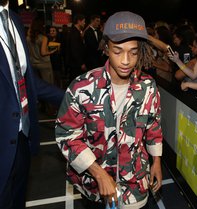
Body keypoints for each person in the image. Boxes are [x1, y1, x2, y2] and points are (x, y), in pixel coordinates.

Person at [55, 11, 163, 209]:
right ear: (105, 48)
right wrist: (98, 173)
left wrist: (156, 161)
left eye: (133, 52)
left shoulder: (148, 86)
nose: (125, 60)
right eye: (117, 50)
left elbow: (153, 124)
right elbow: (67, 135)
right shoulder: (82, 87)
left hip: (135, 178)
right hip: (95, 184)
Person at [0, 1, 64, 208]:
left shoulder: (15, 20)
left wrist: (76, 97)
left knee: (18, 199)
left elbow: (28, 80)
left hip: (22, 136)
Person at [65, 13, 86, 81]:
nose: (84, 23)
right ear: (79, 21)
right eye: (83, 21)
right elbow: (74, 50)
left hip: (75, 63)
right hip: (75, 64)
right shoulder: (74, 32)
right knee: (75, 81)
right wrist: (81, 63)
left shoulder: (75, 31)